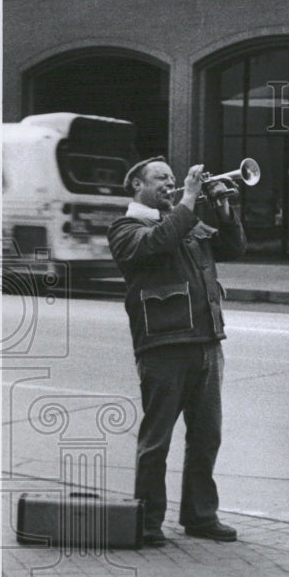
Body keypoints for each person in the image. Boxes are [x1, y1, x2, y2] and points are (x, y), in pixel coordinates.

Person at [108, 157, 246, 546]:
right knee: (157, 441)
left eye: (173, 178)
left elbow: (233, 249)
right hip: (163, 345)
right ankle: (148, 522)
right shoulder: (126, 227)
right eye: (160, 179)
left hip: (206, 340)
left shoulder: (184, 219)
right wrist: (188, 198)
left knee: (207, 436)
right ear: (136, 185)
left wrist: (223, 207)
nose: (169, 184)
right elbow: (155, 244)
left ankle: (200, 516)